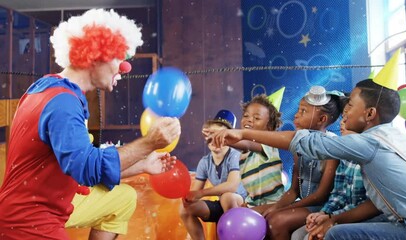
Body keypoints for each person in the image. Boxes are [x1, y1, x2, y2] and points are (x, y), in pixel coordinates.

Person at [0, 9, 181, 240]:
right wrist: (148, 143)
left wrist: (143, 164)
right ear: (97, 55)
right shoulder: (62, 104)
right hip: (29, 220)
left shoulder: (51, 87)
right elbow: (86, 168)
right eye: (120, 58)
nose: (125, 68)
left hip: (49, 201)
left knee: (122, 198)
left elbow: (79, 159)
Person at [209, 78, 406, 239]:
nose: (345, 112)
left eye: (350, 105)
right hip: (405, 222)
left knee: (335, 235)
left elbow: (307, 142)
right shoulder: (395, 137)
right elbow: (375, 203)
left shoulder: (370, 143)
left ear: (370, 114)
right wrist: (333, 218)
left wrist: (243, 133)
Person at [261, 86, 344, 240]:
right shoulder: (298, 147)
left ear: (322, 119)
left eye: (303, 111)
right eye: (298, 110)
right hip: (304, 203)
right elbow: (294, 191)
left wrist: (281, 210)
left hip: (322, 207)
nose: (296, 116)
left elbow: (321, 196)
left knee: (276, 221)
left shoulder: (332, 148)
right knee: (257, 212)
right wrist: (276, 206)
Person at [291, 118, 368, 240]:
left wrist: (332, 217)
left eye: (348, 118)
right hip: (340, 213)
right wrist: (324, 213)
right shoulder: (344, 156)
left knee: (311, 237)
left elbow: (364, 205)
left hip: (360, 217)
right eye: (343, 118)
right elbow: (338, 194)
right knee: (297, 236)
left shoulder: (368, 158)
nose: (342, 122)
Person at [179, 110, 247, 240]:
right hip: (222, 203)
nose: (215, 140)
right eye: (211, 134)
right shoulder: (204, 162)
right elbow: (195, 193)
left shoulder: (235, 156)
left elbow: (232, 186)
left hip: (241, 204)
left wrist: (201, 193)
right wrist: (188, 198)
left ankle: (232, 236)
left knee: (227, 197)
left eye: (219, 135)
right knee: (185, 209)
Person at [221, 94, 285, 210]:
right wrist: (249, 201)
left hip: (274, 204)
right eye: (246, 116)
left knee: (243, 215)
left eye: (257, 118)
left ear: (269, 127)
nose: (249, 120)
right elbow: (254, 187)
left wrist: (227, 138)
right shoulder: (243, 155)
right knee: (227, 198)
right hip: (254, 205)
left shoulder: (269, 144)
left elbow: (248, 143)